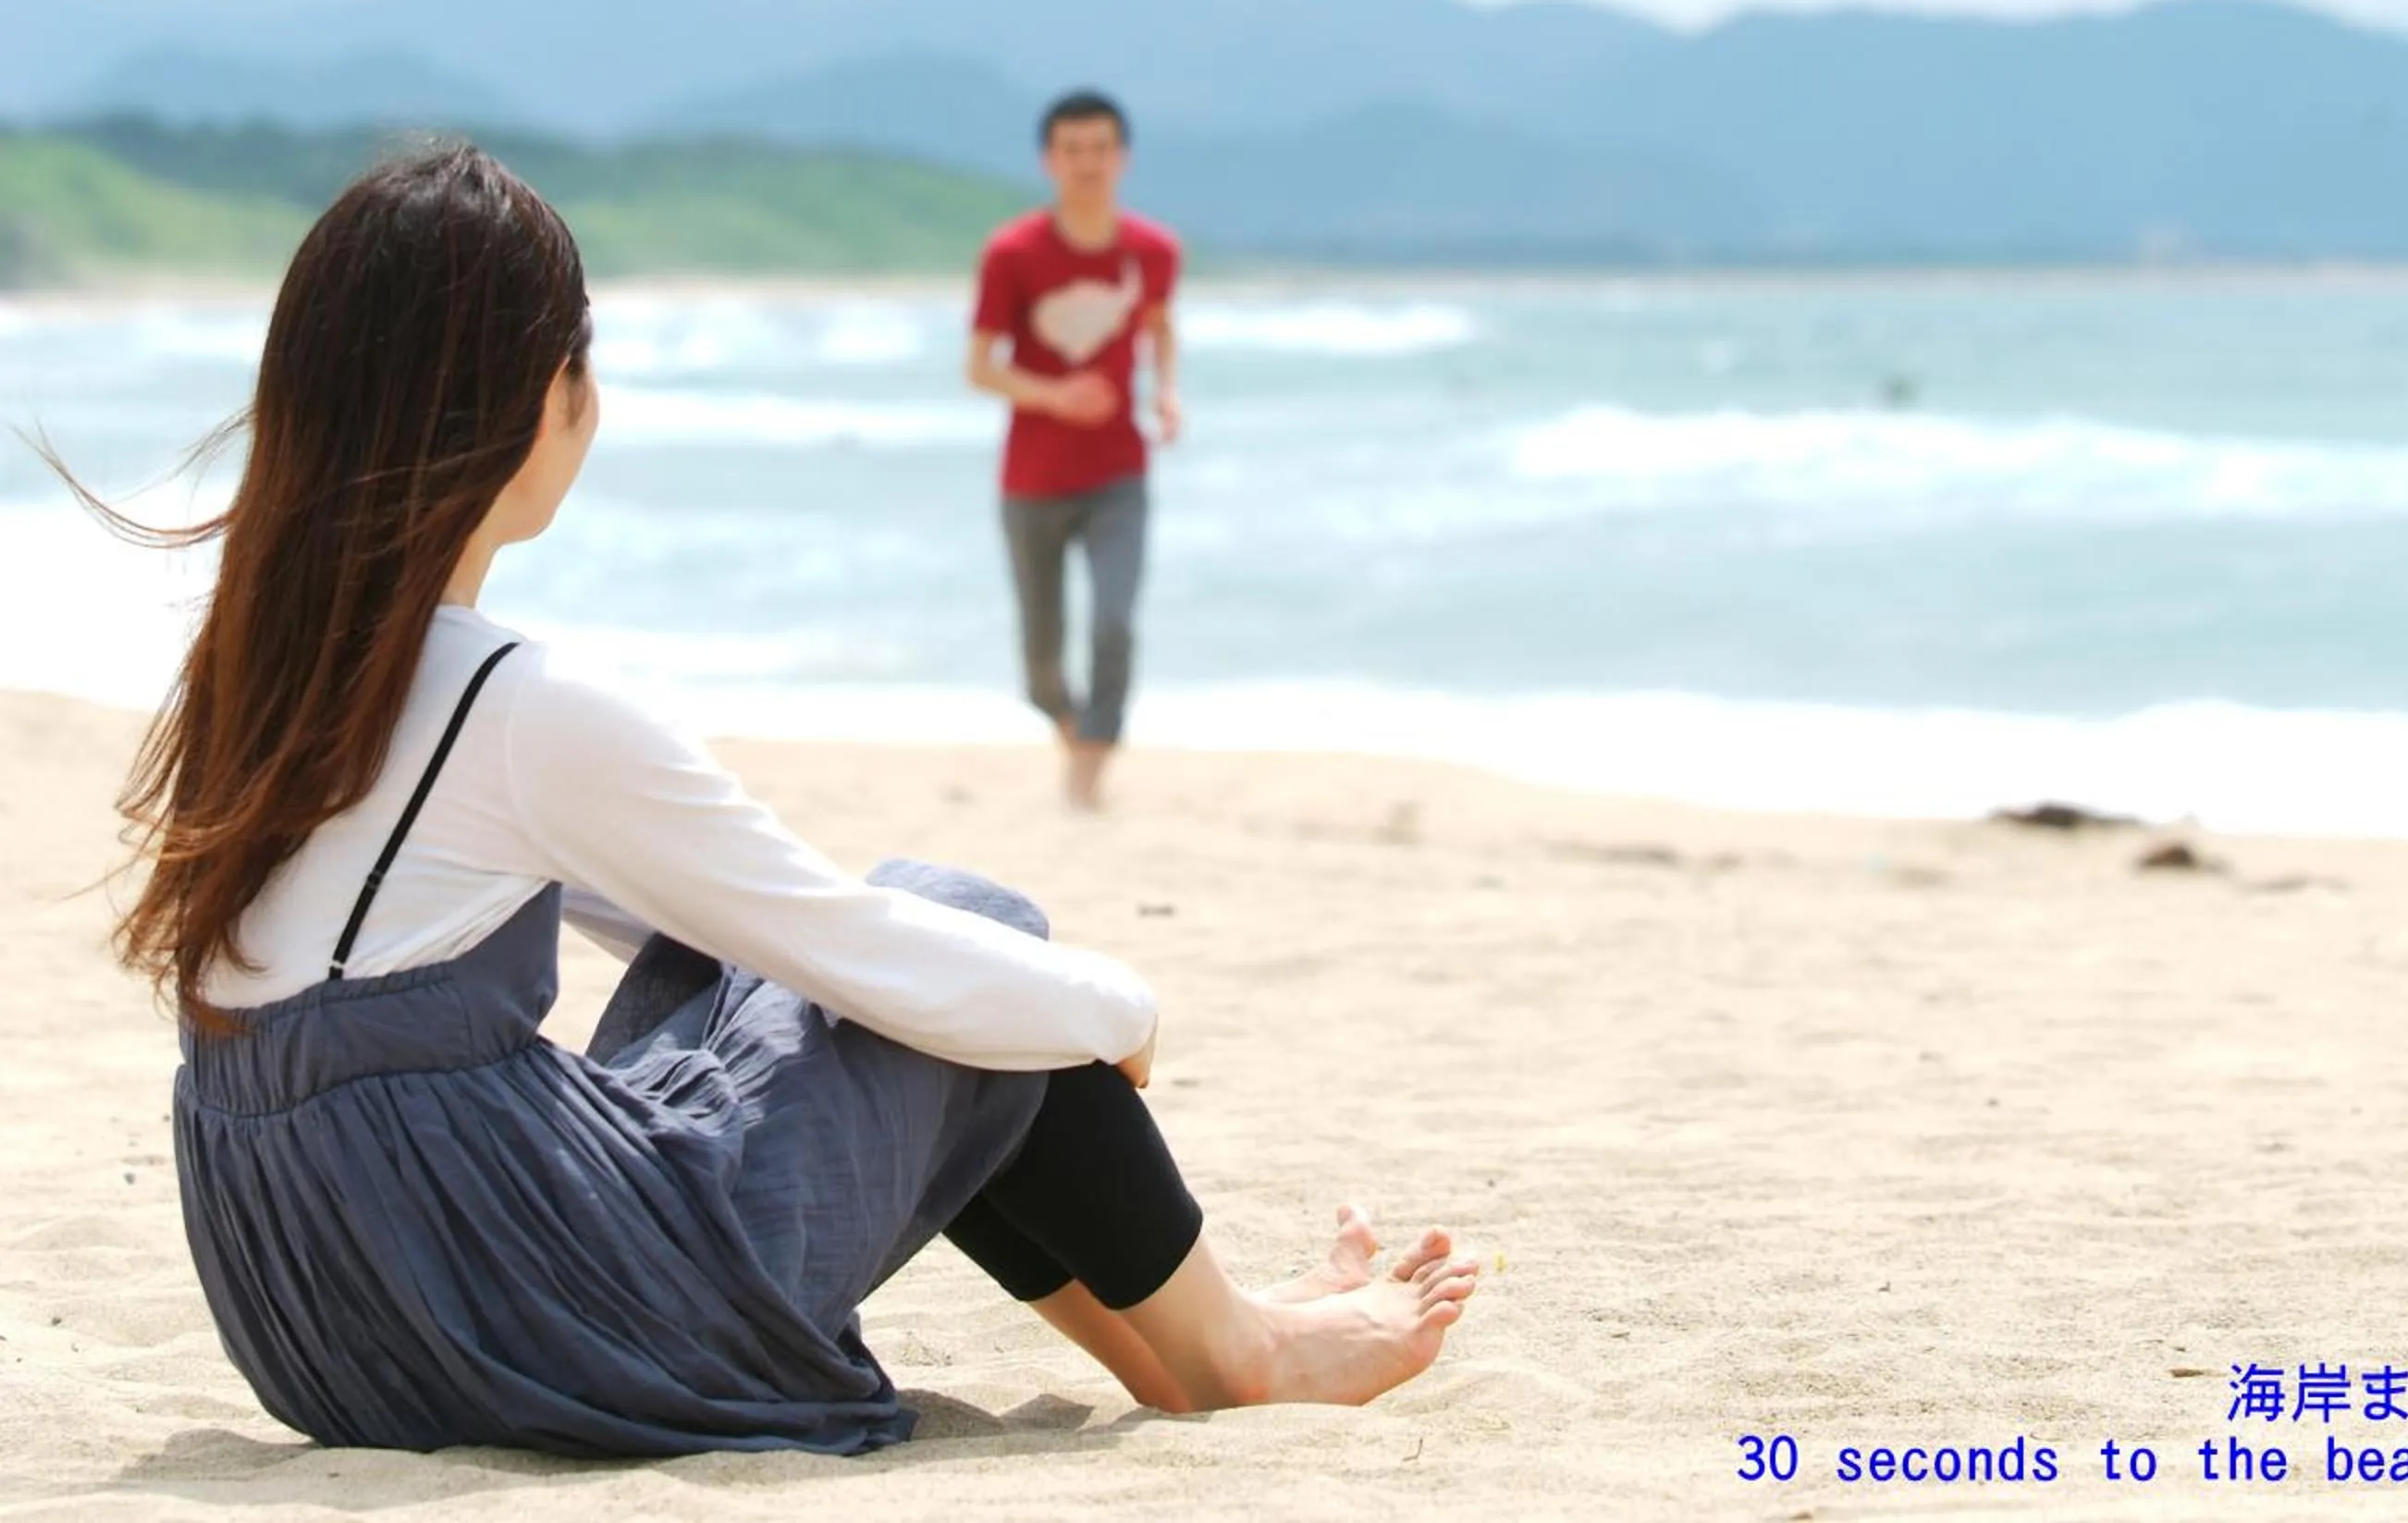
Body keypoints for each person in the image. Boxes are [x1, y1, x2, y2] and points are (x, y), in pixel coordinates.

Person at [57, 146, 1476, 1457]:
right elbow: (859, 949)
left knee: (817, 964)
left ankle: (1183, 1341)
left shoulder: (266, 666)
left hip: (330, 1327)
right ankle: (1234, 1350)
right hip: (543, 1314)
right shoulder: (511, 703)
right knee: (969, 931)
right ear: (542, 398)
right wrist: (1122, 1008)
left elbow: (731, 936)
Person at [965, 90, 1181, 809]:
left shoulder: (1153, 251)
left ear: (1123, 158)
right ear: (1049, 161)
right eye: (1072, 150)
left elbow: (1159, 327)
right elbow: (980, 367)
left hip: (1119, 473)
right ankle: (1068, 727)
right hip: (1032, 481)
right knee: (1041, 663)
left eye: (1101, 148)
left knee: (1115, 622)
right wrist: (1055, 396)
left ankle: (1090, 767)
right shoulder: (1013, 253)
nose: (1088, 163)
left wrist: (1166, 394)